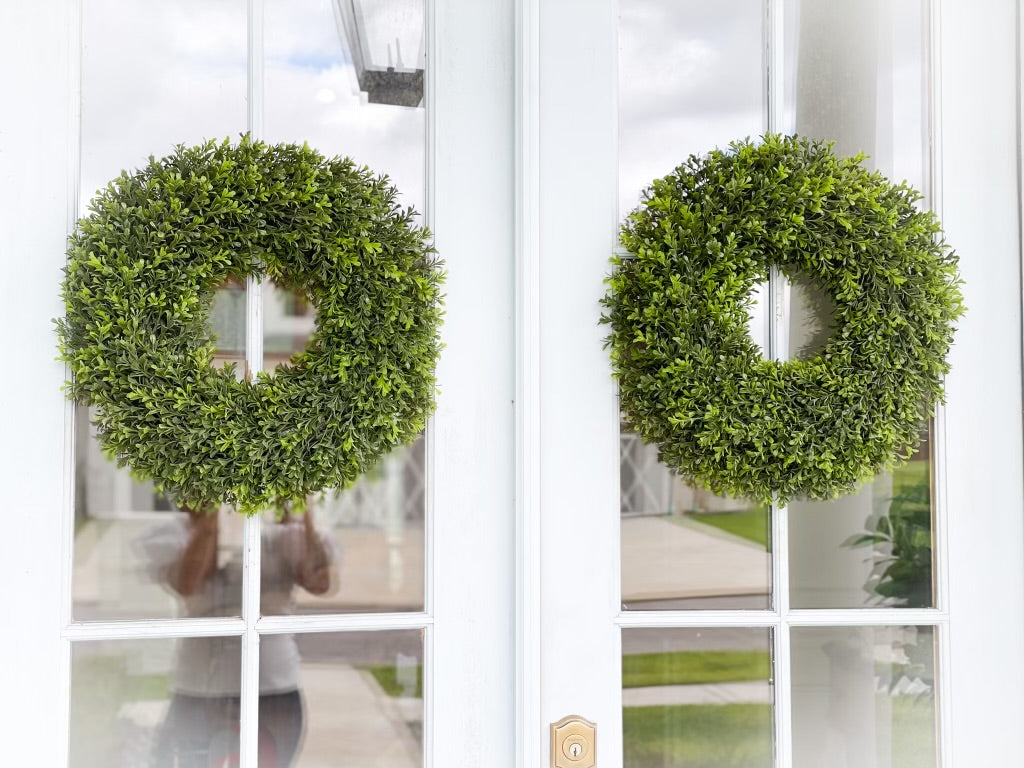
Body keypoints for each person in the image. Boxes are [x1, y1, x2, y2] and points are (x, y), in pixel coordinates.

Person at [142, 500, 335, 767]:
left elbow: (318, 581)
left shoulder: (280, 532)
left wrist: (298, 505)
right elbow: (187, 583)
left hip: (270, 683)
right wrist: (209, 517)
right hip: (198, 685)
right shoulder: (175, 534)